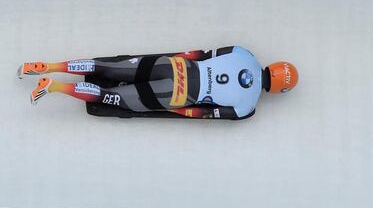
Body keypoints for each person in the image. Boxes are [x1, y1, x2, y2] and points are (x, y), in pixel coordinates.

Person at [19, 46, 297, 120]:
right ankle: (54, 86)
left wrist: (177, 59)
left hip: (175, 65)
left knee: (107, 66)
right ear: (279, 89)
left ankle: (49, 66)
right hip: (177, 94)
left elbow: (202, 54)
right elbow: (204, 113)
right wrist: (176, 109)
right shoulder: (247, 107)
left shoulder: (243, 53)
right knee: (110, 97)